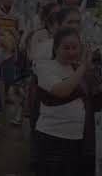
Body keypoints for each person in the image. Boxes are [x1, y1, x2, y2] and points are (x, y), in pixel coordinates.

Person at [33, 27, 94, 176]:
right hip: (52, 136)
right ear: (56, 48)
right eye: (66, 47)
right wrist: (83, 68)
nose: (71, 51)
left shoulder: (76, 68)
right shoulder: (45, 67)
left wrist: (85, 67)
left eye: (75, 48)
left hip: (76, 137)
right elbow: (62, 91)